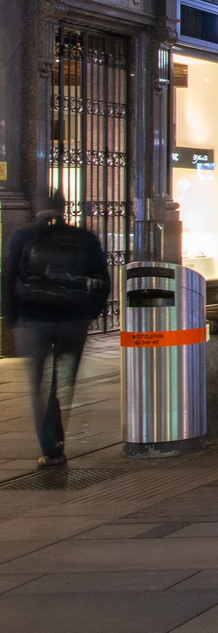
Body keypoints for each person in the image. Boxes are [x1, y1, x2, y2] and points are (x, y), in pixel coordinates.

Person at [2, 194, 110, 468]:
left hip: (33, 320)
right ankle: (60, 434)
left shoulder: (21, 236)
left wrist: (12, 317)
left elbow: (7, 277)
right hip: (73, 321)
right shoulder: (84, 238)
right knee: (65, 381)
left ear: (37, 209)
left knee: (40, 386)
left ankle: (51, 447)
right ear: (65, 209)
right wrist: (90, 313)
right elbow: (101, 280)